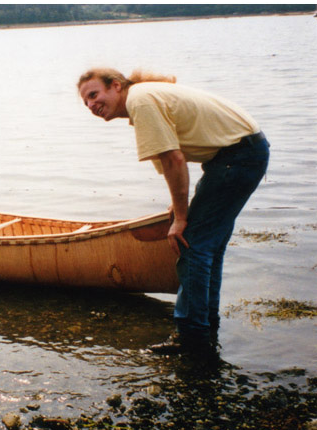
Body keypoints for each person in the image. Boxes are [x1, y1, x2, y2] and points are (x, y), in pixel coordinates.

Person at [77, 67, 269, 354]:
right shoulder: (143, 98)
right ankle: (204, 326)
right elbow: (173, 159)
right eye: (86, 102)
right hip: (240, 155)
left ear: (115, 86)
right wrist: (179, 205)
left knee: (191, 245)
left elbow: (174, 160)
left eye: (94, 95)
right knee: (208, 247)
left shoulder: (140, 101)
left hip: (237, 157)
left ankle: (191, 337)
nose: (92, 105)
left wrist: (181, 218)